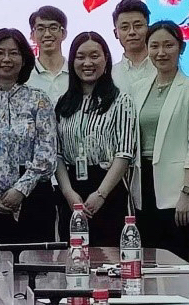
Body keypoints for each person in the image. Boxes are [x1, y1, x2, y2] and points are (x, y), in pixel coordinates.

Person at [0, 28, 58, 249]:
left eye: (14, 53)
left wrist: (20, 190)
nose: (6, 59)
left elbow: (47, 153)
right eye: (0, 52)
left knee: (34, 264)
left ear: (24, 60)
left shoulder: (39, 100)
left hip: (33, 196)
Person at [125, 20, 189, 264]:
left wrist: (186, 192)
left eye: (168, 45)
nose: (161, 52)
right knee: (148, 263)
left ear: (181, 48)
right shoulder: (138, 88)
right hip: (144, 186)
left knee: (180, 264)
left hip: (179, 190)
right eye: (155, 46)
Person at [53, 32, 137, 246]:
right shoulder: (63, 104)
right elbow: (57, 154)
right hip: (72, 190)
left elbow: (124, 153)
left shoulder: (121, 101)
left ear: (106, 59)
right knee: (74, 255)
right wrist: (68, 192)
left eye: (94, 56)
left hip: (108, 188)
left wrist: (101, 194)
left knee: (110, 258)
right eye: (80, 57)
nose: (87, 63)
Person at [110, 0, 156, 89]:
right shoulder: (111, 75)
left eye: (138, 26)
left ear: (148, 29)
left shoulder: (162, 68)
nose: (132, 32)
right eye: (125, 27)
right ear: (116, 33)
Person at [27, 6, 70, 102]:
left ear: (63, 33)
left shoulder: (76, 73)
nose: (47, 34)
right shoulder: (25, 76)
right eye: (40, 29)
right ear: (32, 35)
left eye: (53, 28)